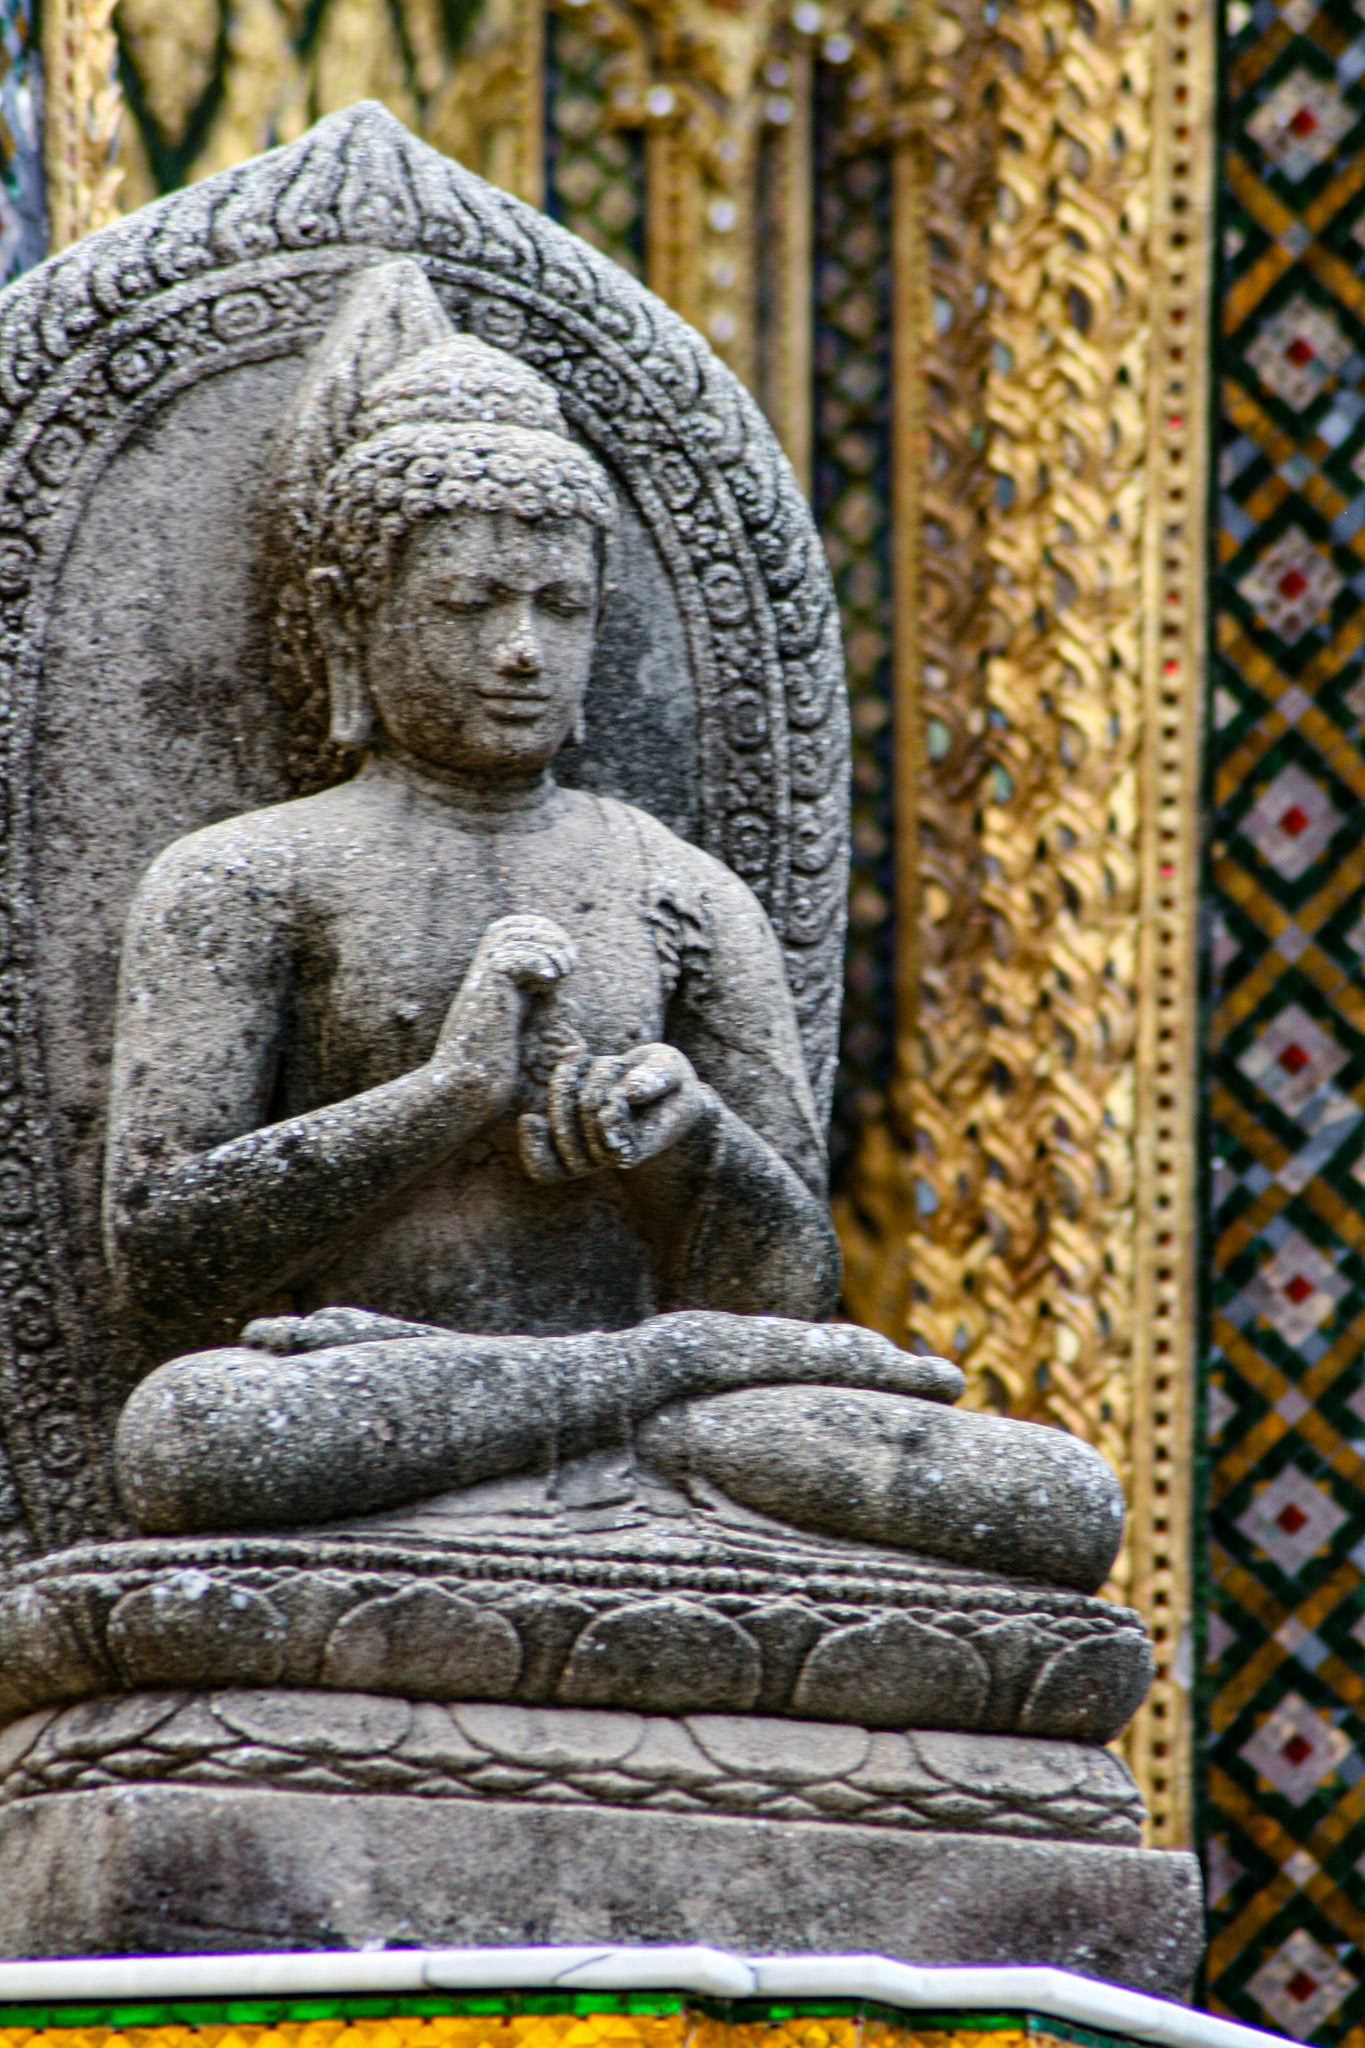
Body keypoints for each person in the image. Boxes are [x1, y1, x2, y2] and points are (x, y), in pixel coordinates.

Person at [104, 263, 1122, 1594]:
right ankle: (642, 1383)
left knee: (1054, 1499)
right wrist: (447, 1097)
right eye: (471, 605)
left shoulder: (679, 892)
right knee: (192, 1434)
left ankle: (629, 1391)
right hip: (365, 1403)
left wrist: (687, 1143)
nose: (522, 648)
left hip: (666, 1432)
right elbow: (163, 1247)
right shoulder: (244, 875)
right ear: (353, 611)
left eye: (561, 606)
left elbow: (785, 1288)